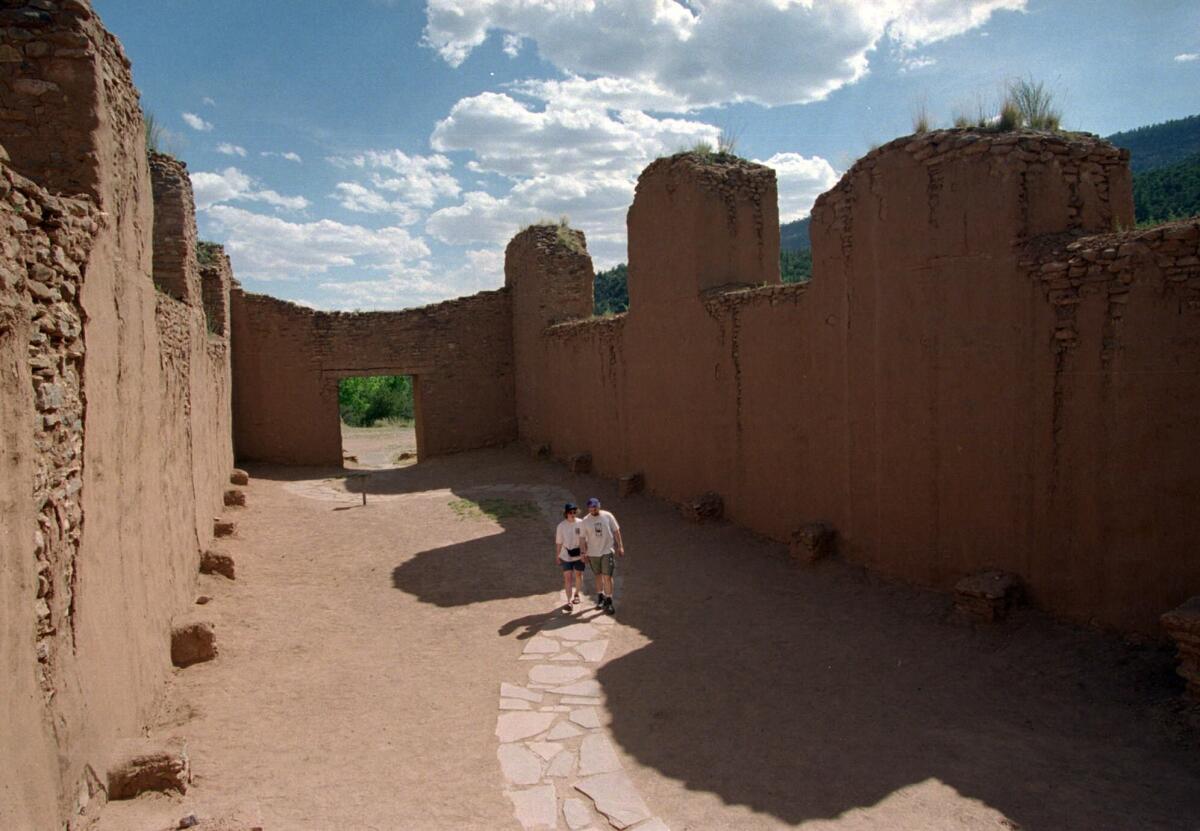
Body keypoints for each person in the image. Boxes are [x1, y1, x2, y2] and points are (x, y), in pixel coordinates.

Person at [580, 497, 623, 615]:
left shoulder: (607, 516)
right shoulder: (585, 521)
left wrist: (620, 546)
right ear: (588, 508)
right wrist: (583, 552)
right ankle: (600, 597)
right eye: (591, 507)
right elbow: (582, 538)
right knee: (598, 575)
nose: (593, 509)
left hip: (607, 551)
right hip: (593, 553)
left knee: (607, 576)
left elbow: (616, 531)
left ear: (599, 506)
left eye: (595, 506)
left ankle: (609, 601)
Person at [555, 502, 585, 613]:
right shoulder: (561, 526)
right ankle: (568, 601)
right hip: (566, 555)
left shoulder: (581, 523)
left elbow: (584, 539)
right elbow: (559, 542)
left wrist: (584, 553)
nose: (573, 514)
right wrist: (557, 555)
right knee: (567, 578)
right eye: (570, 512)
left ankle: (576, 594)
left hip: (579, 554)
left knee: (578, 575)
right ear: (566, 513)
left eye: (574, 512)